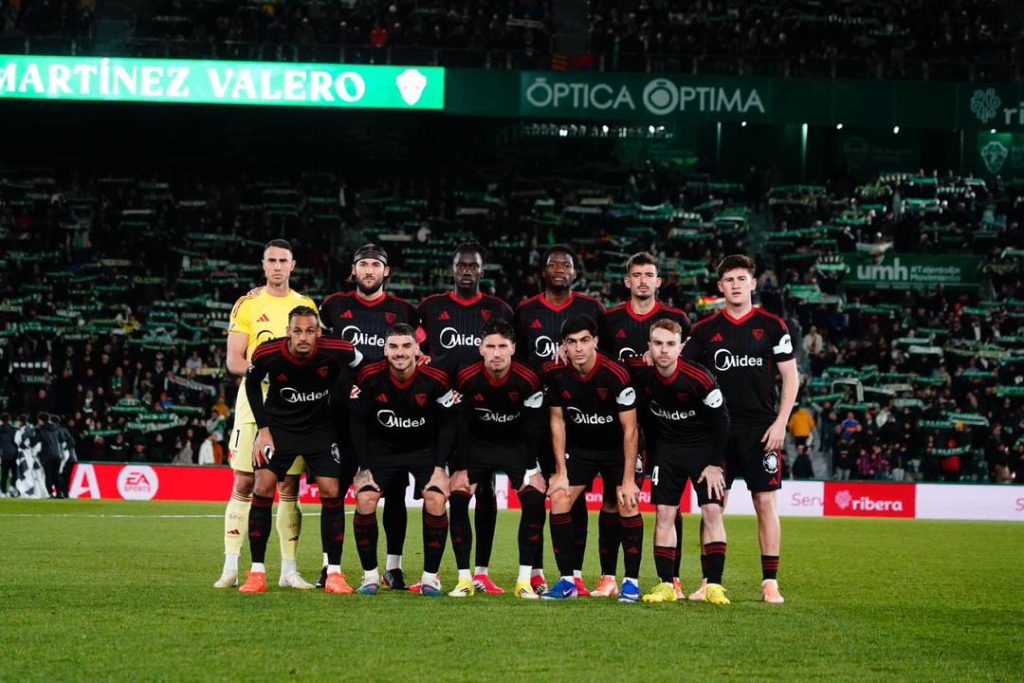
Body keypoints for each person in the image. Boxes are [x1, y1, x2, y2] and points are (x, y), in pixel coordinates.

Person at [682, 254, 799, 605]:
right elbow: (683, 376)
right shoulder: (704, 331)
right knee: (713, 507)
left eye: (741, 278)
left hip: (761, 431)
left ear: (752, 282)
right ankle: (709, 581)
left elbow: (791, 376)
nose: (735, 285)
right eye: (728, 280)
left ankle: (770, 583)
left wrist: (781, 423)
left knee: (765, 503)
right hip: (716, 431)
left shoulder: (773, 325)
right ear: (720, 286)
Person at [215, 239, 319, 590]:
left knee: (289, 486)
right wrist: (263, 374)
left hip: (294, 406)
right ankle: (231, 565)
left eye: (283, 261)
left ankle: (289, 570)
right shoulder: (247, 304)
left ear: (293, 265)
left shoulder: (305, 305)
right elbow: (234, 360)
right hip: (252, 403)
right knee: (245, 482)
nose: (277, 266)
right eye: (271, 260)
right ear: (264, 265)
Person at [238, 306, 362, 594]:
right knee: (263, 486)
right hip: (279, 429)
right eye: (297, 331)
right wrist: (264, 429)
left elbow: (360, 364)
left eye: (310, 330)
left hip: (319, 429)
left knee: (332, 491)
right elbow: (252, 384)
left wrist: (354, 388)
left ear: (318, 332)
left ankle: (334, 573)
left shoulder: (336, 348)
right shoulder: (268, 353)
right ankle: (257, 572)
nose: (303, 337)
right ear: (288, 332)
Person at [320, 243, 419, 590]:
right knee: (334, 492)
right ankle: (330, 567)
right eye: (363, 265)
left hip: (386, 418)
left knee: (393, 492)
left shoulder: (404, 310)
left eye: (375, 265)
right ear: (354, 270)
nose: (369, 270)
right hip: (341, 415)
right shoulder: (333, 306)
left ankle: (394, 567)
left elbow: (421, 352)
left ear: (385, 272)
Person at [417, 242, 514, 595]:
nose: (467, 271)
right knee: (443, 492)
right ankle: (435, 573)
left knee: (485, 490)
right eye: (462, 266)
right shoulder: (431, 307)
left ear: (482, 271)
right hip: (441, 414)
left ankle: (482, 571)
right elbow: (416, 346)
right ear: (453, 269)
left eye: (473, 266)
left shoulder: (498, 309)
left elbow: (506, 351)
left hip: (484, 416)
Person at [514, 244, 605, 596]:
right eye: (552, 263)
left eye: (566, 264)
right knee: (535, 494)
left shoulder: (592, 309)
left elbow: (604, 354)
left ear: (575, 272)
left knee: (573, 496)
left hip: (579, 417)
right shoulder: (525, 311)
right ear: (543, 271)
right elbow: (517, 360)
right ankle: (535, 571)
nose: (559, 269)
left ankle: (575, 573)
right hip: (536, 416)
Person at [601, 251, 691, 597]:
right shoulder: (610, 321)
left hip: (667, 426)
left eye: (648, 274)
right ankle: (611, 577)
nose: (642, 280)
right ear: (627, 281)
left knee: (670, 505)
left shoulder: (676, 318)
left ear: (658, 281)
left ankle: (673, 578)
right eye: (636, 274)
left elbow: (689, 370)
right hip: (624, 425)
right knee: (616, 499)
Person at [348, 323, 459, 596]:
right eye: (394, 346)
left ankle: (431, 578)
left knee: (435, 498)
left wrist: (440, 467)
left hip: (424, 450)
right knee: (365, 498)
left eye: (406, 346)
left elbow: (448, 423)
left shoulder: (436, 378)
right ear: (385, 350)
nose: (400, 352)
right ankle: (370, 577)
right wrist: (363, 467)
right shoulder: (369, 376)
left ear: (417, 349)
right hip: (383, 450)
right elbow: (358, 421)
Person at [541, 315, 643, 603]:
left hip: (617, 449)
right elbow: (557, 422)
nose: (579, 348)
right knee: (559, 497)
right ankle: (567, 581)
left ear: (595, 341)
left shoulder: (616, 374)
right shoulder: (556, 373)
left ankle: (631, 584)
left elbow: (630, 430)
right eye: (572, 342)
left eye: (585, 340)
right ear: (564, 346)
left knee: (625, 501)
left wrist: (627, 480)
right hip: (582, 450)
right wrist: (560, 470)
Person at [627, 319, 730, 604]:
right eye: (658, 343)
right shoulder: (640, 372)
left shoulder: (700, 378)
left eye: (670, 344)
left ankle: (714, 585)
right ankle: (666, 584)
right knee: (663, 514)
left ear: (681, 347)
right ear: (648, 346)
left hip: (703, 451)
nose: (663, 350)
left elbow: (722, 420)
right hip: (667, 451)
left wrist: (714, 464)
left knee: (712, 512)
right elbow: (606, 367)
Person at [449, 319, 547, 599]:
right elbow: (461, 425)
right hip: (478, 445)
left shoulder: (527, 379)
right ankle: (464, 579)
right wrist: (460, 468)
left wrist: (532, 468)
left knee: (534, 497)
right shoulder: (467, 377)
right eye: (490, 346)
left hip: (515, 445)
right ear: (480, 349)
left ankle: (525, 580)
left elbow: (533, 427)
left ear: (513, 348)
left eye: (502, 346)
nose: (496, 353)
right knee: (458, 494)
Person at [36, 413, 62, 498]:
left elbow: (35, 441)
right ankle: (59, 493)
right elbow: (61, 439)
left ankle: (50, 493)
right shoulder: (56, 428)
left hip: (47, 455)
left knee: (49, 475)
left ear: (41, 420)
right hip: (57, 454)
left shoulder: (41, 430)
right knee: (56, 474)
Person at [0, 414, 17, 496]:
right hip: (14, 454)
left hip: (4, 454)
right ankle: (13, 489)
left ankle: (3, 491)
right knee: (15, 474)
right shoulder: (14, 429)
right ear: (9, 419)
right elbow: (17, 441)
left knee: (4, 474)